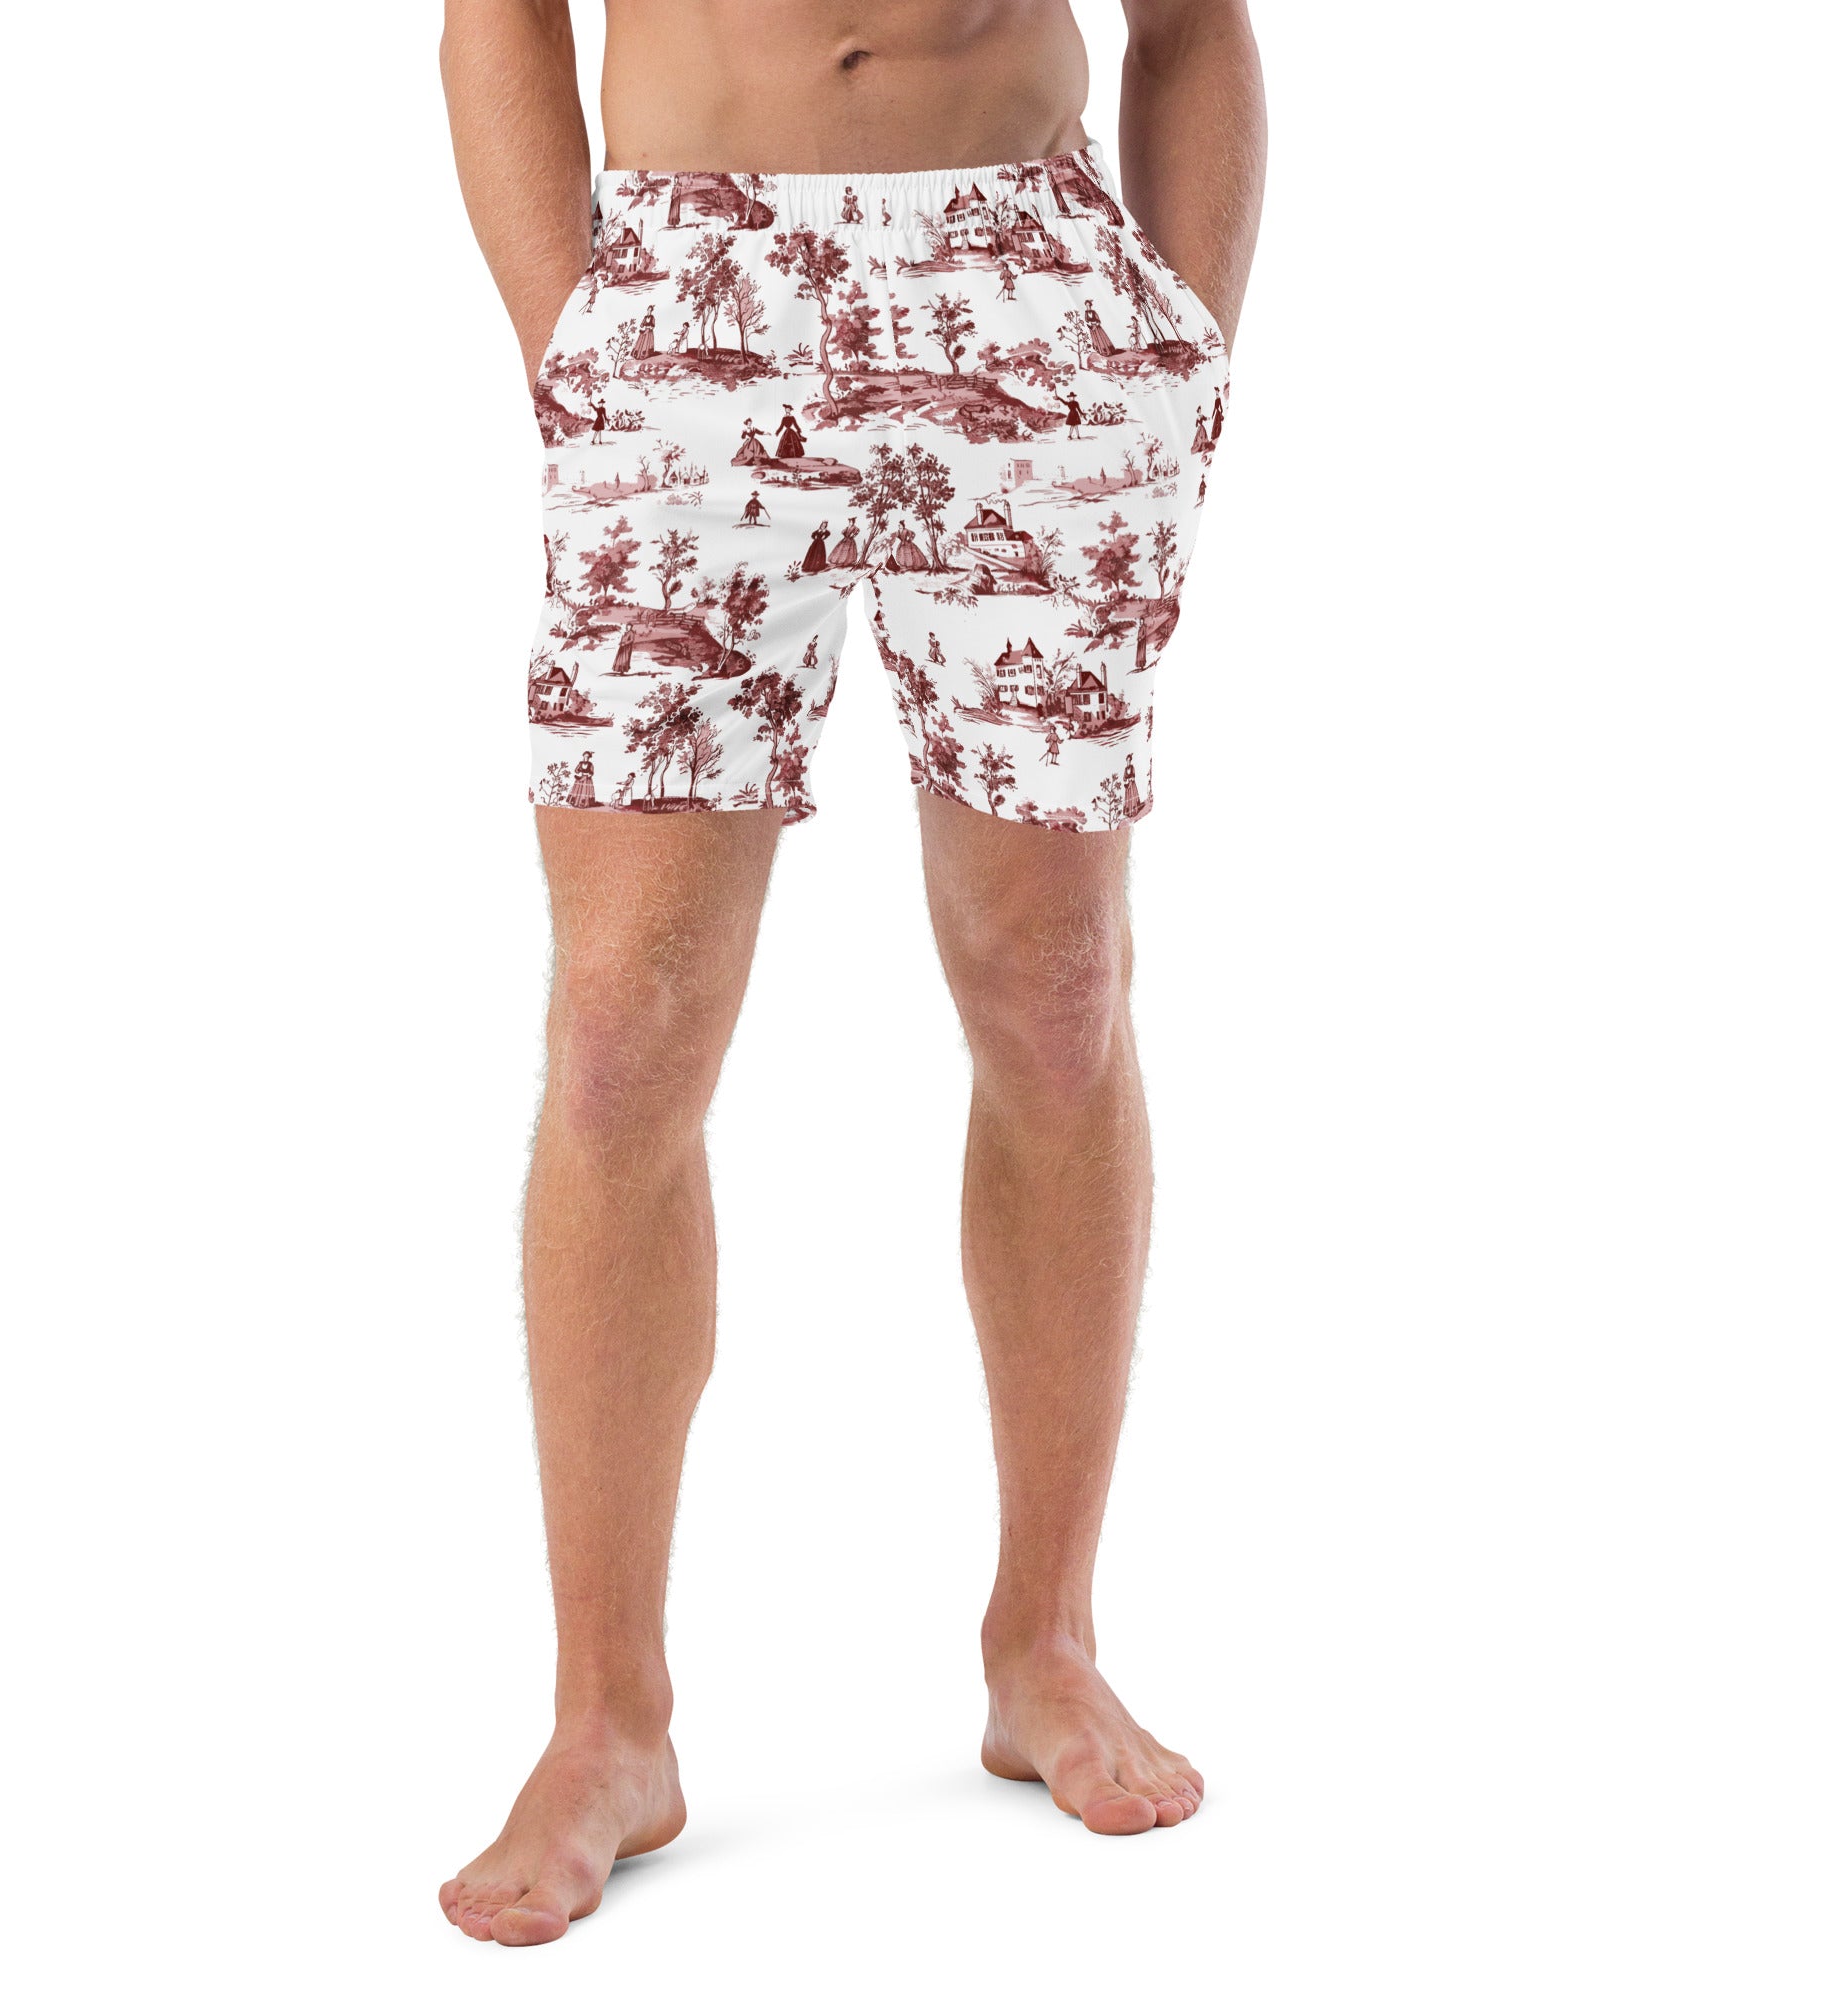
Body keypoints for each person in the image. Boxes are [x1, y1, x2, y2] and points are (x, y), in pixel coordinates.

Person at [438, 0, 1266, 1949]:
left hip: (1022, 286)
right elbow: (498, 20)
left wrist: (1180, 367)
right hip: (686, 280)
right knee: (622, 1031)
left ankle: (1044, 1643)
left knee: (1053, 992)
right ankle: (606, 1720)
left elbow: (1194, 29)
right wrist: (581, 345)